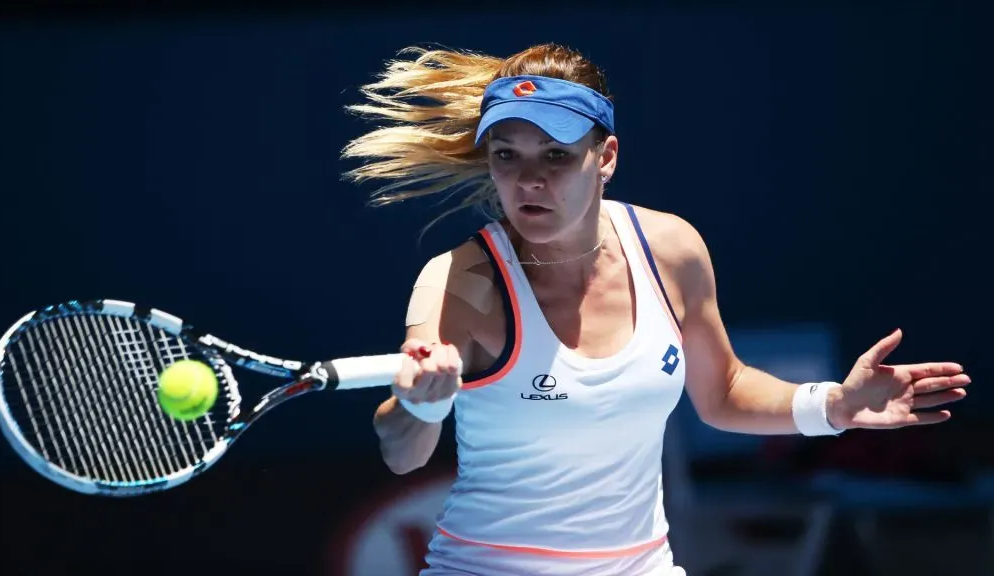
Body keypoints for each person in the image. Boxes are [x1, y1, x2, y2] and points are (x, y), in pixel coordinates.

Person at [340, 43, 971, 576]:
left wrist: (833, 407)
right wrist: (423, 400)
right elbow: (403, 451)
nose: (528, 179)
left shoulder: (671, 248)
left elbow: (722, 390)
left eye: (556, 155)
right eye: (507, 155)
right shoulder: (458, 281)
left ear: (606, 158)